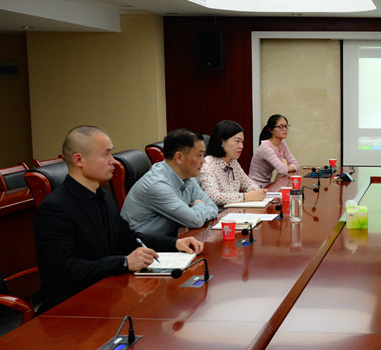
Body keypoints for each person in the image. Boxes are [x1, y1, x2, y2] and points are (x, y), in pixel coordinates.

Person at [33, 126, 204, 313]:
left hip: (107, 295)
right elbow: (66, 268)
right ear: (79, 160)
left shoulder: (104, 197)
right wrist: (124, 262)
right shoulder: (55, 208)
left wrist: (174, 244)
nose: (113, 161)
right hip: (70, 308)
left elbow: (128, 238)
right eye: (106, 154)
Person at [121, 128, 218, 236]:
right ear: (179, 157)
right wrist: (198, 204)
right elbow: (195, 220)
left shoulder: (187, 176)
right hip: (143, 244)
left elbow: (212, 207)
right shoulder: (157, 184)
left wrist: (187, 221)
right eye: (199, 156)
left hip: (170, 239)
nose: (204, 161)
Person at [198, 120, 267, 207]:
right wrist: (246, 197)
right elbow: (213, 196)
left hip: (234, 211)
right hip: (217, 213)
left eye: (242, 142)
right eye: (237, 141)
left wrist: (256, 192)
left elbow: (250, 184)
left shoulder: (233, 162)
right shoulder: (207, 164)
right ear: (222, 141)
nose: (241, 146)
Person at [249, 114, 298, 189]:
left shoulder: (282, 143)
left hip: (268, 184)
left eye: (286, 126)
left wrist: (285, 166)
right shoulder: (265, 147)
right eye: (280, 127)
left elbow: (295, 164)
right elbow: (282, 170)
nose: (285, 129)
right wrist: (285, 163)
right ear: (271, 130)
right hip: (256, 187)